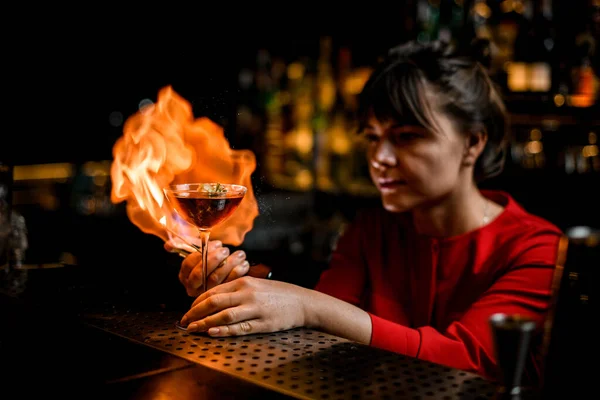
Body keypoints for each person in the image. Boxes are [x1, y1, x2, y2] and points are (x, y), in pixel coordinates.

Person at [168, 40, 562, 383]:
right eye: (373, 139)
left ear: (473, 143)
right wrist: (241, 292)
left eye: (406, 138)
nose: (380, 159)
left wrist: (303, 304)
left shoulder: (537, 249)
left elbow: (470, 362)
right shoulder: (373, 230)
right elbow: (314, 331)